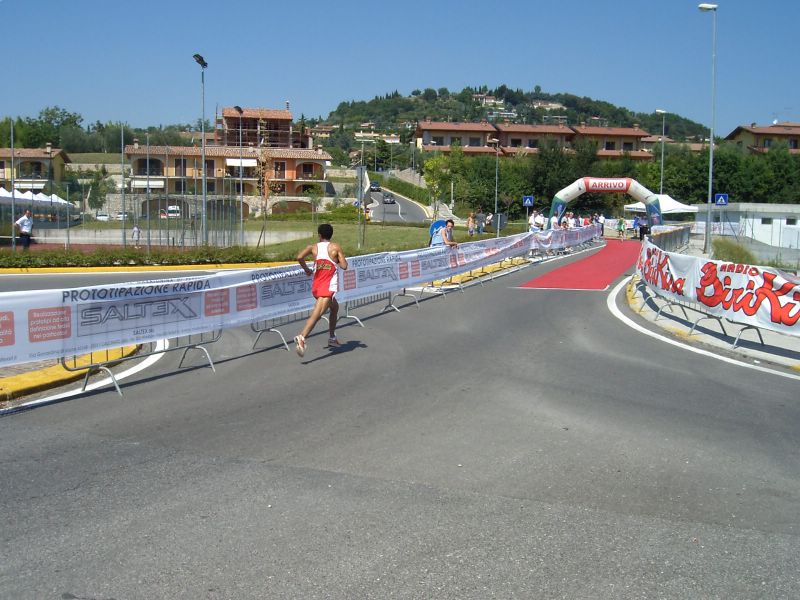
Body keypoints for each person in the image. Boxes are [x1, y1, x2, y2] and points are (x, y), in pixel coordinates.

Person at [294, 223, 348, 357]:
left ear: (319, 235)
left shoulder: (312, 247)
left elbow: (299, 257)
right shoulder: (335, 247)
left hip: (317, 285)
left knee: (334, 308)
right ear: (331, 235)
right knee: (317, 314)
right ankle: (302, 337)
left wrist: (307, 269)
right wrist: (337, 259)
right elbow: (344, 266)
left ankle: (332, 338)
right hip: (328, 286)